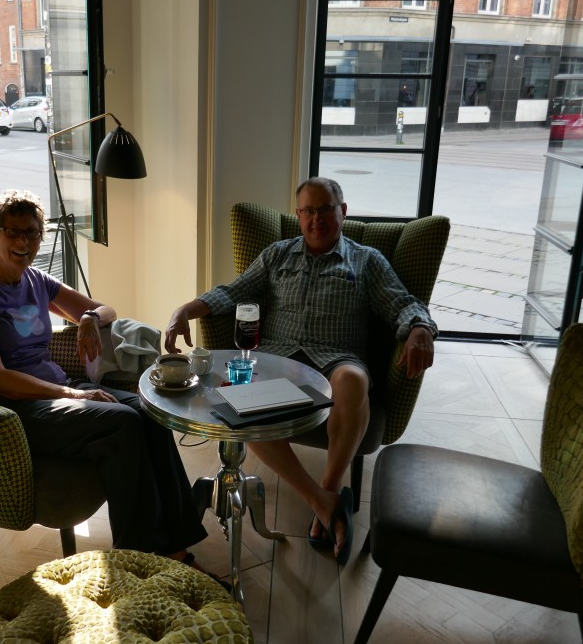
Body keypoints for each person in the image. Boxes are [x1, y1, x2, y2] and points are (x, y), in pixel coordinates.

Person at [0, 189, 216, 578]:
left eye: (32, 233)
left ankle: (175, 543)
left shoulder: (36, 280)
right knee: (123, 423)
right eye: (13, 232)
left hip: (56, 392)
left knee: (150, 409)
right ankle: (138, 558)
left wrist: (89, 318)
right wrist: (71, 393)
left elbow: (106, 309)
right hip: (13, 410)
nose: (23, 242)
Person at [164, 177, 436, 565]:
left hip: (337, 357)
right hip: (278, 360)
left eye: (325, 209)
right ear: (298, 215)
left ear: (343, 212)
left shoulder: (366, 260)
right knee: (241, 401)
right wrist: (184, 311)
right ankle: (323, 502)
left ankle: (329, 487)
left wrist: (420, 328)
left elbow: (404, 304)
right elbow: (233, 291)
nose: (316, 219)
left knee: (353, 381)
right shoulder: (277, 254)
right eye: (308, 210)